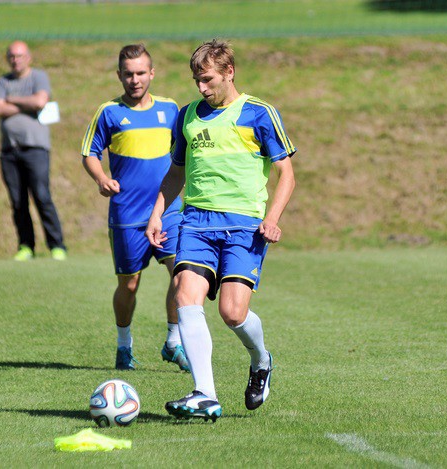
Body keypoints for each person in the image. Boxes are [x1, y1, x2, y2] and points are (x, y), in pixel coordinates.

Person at [146, 40, 297, 421]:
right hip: (196, 222)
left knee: (232, 312)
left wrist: (273, 217)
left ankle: (261, 360)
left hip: (244, 225)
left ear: (229, 72)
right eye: (197, 80)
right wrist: (157, 213)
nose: (201, 87)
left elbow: (286, 174)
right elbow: (176, 172)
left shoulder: (260, 113)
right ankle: (204, 394)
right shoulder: (187, 116)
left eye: (207, 79)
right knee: (185, 295)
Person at [81, 44, 189, 371]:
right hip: (127, 214)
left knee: (182, 273)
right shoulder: (109, 113)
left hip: (168, 210)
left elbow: (182, 154)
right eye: (128, 74)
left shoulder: (171, 110)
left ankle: (173, 341)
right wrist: (101, 178)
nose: (135, 79)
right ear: (119, 76)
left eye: (141, 72)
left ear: (152, 73)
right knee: (129, 284)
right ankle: (123, 344)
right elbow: (89, 153)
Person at [0, 40, 67, 261]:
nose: (16, 60)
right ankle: (26, 246)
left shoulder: (38, 77)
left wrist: (13, 101)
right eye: (12, 56)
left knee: (42, 196)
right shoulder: (2, 82)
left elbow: (40, 101)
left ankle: (57, 245)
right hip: (9, 151)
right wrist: (28, 104)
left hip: (36, 148)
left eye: (20, 55)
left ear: (29, 57)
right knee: (18, 201)